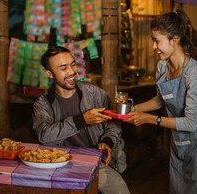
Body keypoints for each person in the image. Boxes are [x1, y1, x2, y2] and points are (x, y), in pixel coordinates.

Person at [123, 9, 197, 194]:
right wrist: (133, 109)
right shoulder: (163, 65)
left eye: (157, 40)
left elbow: (191, 123)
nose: (154, 46)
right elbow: (161, 99)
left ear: (174, 39)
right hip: (178, 140)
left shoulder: (194, 72)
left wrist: (148, 119)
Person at [32, 46, 130, 194]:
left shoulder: (95, 93)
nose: (72, 72)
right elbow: (44, 135)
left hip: (95, 162)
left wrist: (108, 141)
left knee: (120, 191)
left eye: (73, 64)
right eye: (63, 68)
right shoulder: (42, 103)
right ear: (50, 74)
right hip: (59, 164)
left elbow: (114, 122)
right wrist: (81, 120)